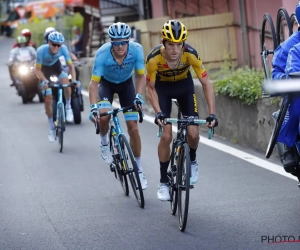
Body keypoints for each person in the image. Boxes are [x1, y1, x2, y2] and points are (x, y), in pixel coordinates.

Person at [145, 20, 218, 201]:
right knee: (167, 136)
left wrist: (212, 113)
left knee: (193, 134)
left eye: (179, 45)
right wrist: (158, 112)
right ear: (163, 42)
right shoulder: (154, 58)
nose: (175, 50)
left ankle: (192, 160)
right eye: (171, 45)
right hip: (163, 90)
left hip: (185, 89)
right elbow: (150, 88)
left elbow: (206, 83)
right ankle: (163, 182)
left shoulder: (190, 54)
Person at [88, 22, 148, 190]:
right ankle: (104, 142)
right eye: (116, 42)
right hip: (106, 84)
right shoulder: (102, 54)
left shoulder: (136, 50)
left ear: (128, 41)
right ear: (111, 42)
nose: (120, 46)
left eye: (124, 42)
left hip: (126, 85)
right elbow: (93, 84)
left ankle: (139, 170)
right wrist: (94, 106)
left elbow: (141, 77)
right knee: (104, 116)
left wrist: (138, 96)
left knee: (133, 129)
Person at [272, 1, 300, 172]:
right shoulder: (291, 48)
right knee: (296, 103)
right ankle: (289, 144)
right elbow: (278, 74)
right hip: (293, 86)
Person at [35, 31, 77, 142]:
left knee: (65, 79)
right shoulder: (41, 51)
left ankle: (68, 107)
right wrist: (44, 80)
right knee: (48, 99)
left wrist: (74, 80)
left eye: (59, 45)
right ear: (49, 42)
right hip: (44, 72)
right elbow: (37, 70)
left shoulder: (63, 49)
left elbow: (71, 67)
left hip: (56, 68)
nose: (56, 47)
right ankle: (51, 127)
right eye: (54, 44)